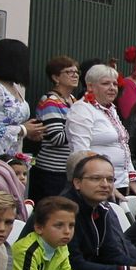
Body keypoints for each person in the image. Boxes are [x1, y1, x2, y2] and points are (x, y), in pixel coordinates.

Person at [67, 65, 136, 200]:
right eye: (106, 83)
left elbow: (123, 145)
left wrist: (132, 178)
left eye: (115, 84)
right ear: (90, 86)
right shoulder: (82, 109)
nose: (112, 88)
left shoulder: (110, 109)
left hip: (120, 182)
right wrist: (105, 183)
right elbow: (81, 152)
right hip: (97, 186)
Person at [29, 56, 81, 201]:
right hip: (52, 172)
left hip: (69, 170)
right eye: (69, 72)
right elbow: (57, 138)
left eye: (76, 72)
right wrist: (81, 129)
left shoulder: (74, 100)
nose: (75, 75)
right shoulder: (51, 102)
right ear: (56, 77)